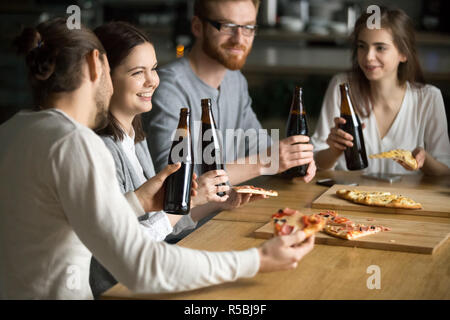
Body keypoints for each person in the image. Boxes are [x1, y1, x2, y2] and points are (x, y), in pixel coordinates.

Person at [0, 17, 314, 300]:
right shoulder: (76, 143)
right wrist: (256, 260)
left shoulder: (12, 129)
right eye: (134, 71)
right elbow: (141, 265)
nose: (152, 81)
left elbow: (72, 225)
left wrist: (138, 201)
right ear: (98, 64)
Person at [89, 21, 269, 298]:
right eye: (138, 72)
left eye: (154, 69)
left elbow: (158, 227)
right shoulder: (99, 151)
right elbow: (124, 254)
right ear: (105, 77)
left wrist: (210, 202)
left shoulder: (135, 139)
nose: (153, 81)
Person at [144, 0, 316, 185]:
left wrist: (292, 160)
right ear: (197, 27)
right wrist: (267, 161)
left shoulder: (235, 79)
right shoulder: (168, 89)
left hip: (230, 209)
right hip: (191, 214)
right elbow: (175, 182)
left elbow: (256, 144)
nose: (239, 39)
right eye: (227, 26)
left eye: (248, 27)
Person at [312, 7, 450, 175]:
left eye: (380, 48)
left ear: (404, 54)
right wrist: (333, 151)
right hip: (347, 195)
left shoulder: (429, 98)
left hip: (406, 200)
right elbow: (316, 162)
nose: (368, 56)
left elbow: (445, 172)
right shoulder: (341, 86)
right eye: (362, 46)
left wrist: (423, 160)